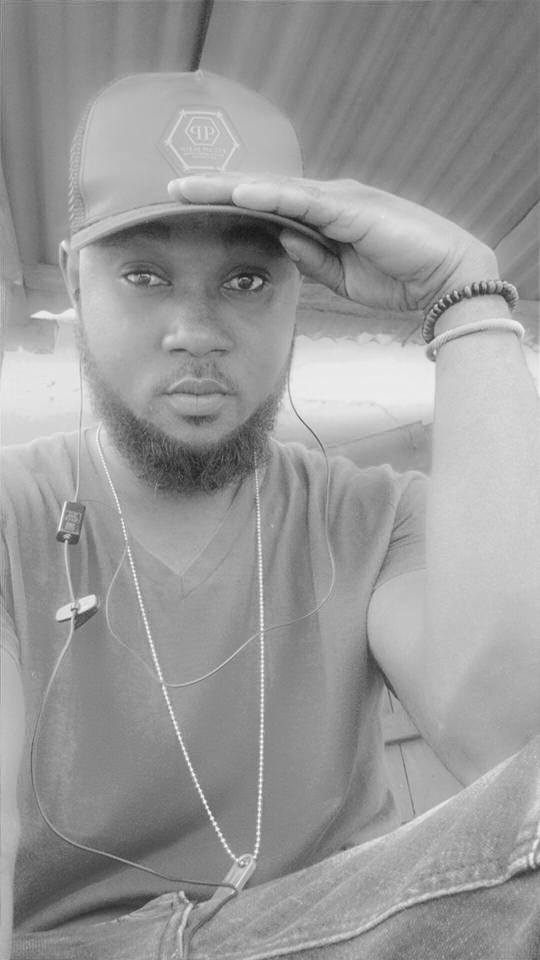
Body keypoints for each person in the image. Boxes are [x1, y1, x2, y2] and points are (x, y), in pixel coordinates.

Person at [1, 71, 539, 960]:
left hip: (341, 929)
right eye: (144, 275)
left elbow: (510, 749)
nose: (196, 329)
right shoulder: (13, 513)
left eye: (247, 279)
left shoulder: (374, 519)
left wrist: (469, 297)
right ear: (74, 282)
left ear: (297, 291)